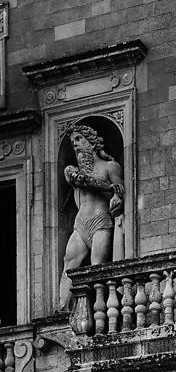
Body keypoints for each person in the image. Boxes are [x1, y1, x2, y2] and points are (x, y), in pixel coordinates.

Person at [58, 123, 124, 310]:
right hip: (81, 223)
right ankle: (62, 308)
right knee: (69, 262)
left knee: (97, 267)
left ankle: (100, 309)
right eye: (72, 143)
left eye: (79, 139)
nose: (75, 145)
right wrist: (108, 187)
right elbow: (80, 180)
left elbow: (120, 194)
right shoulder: (72, 170)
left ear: (92, 142)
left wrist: (117, 198)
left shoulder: (111, 167)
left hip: (101, 221)